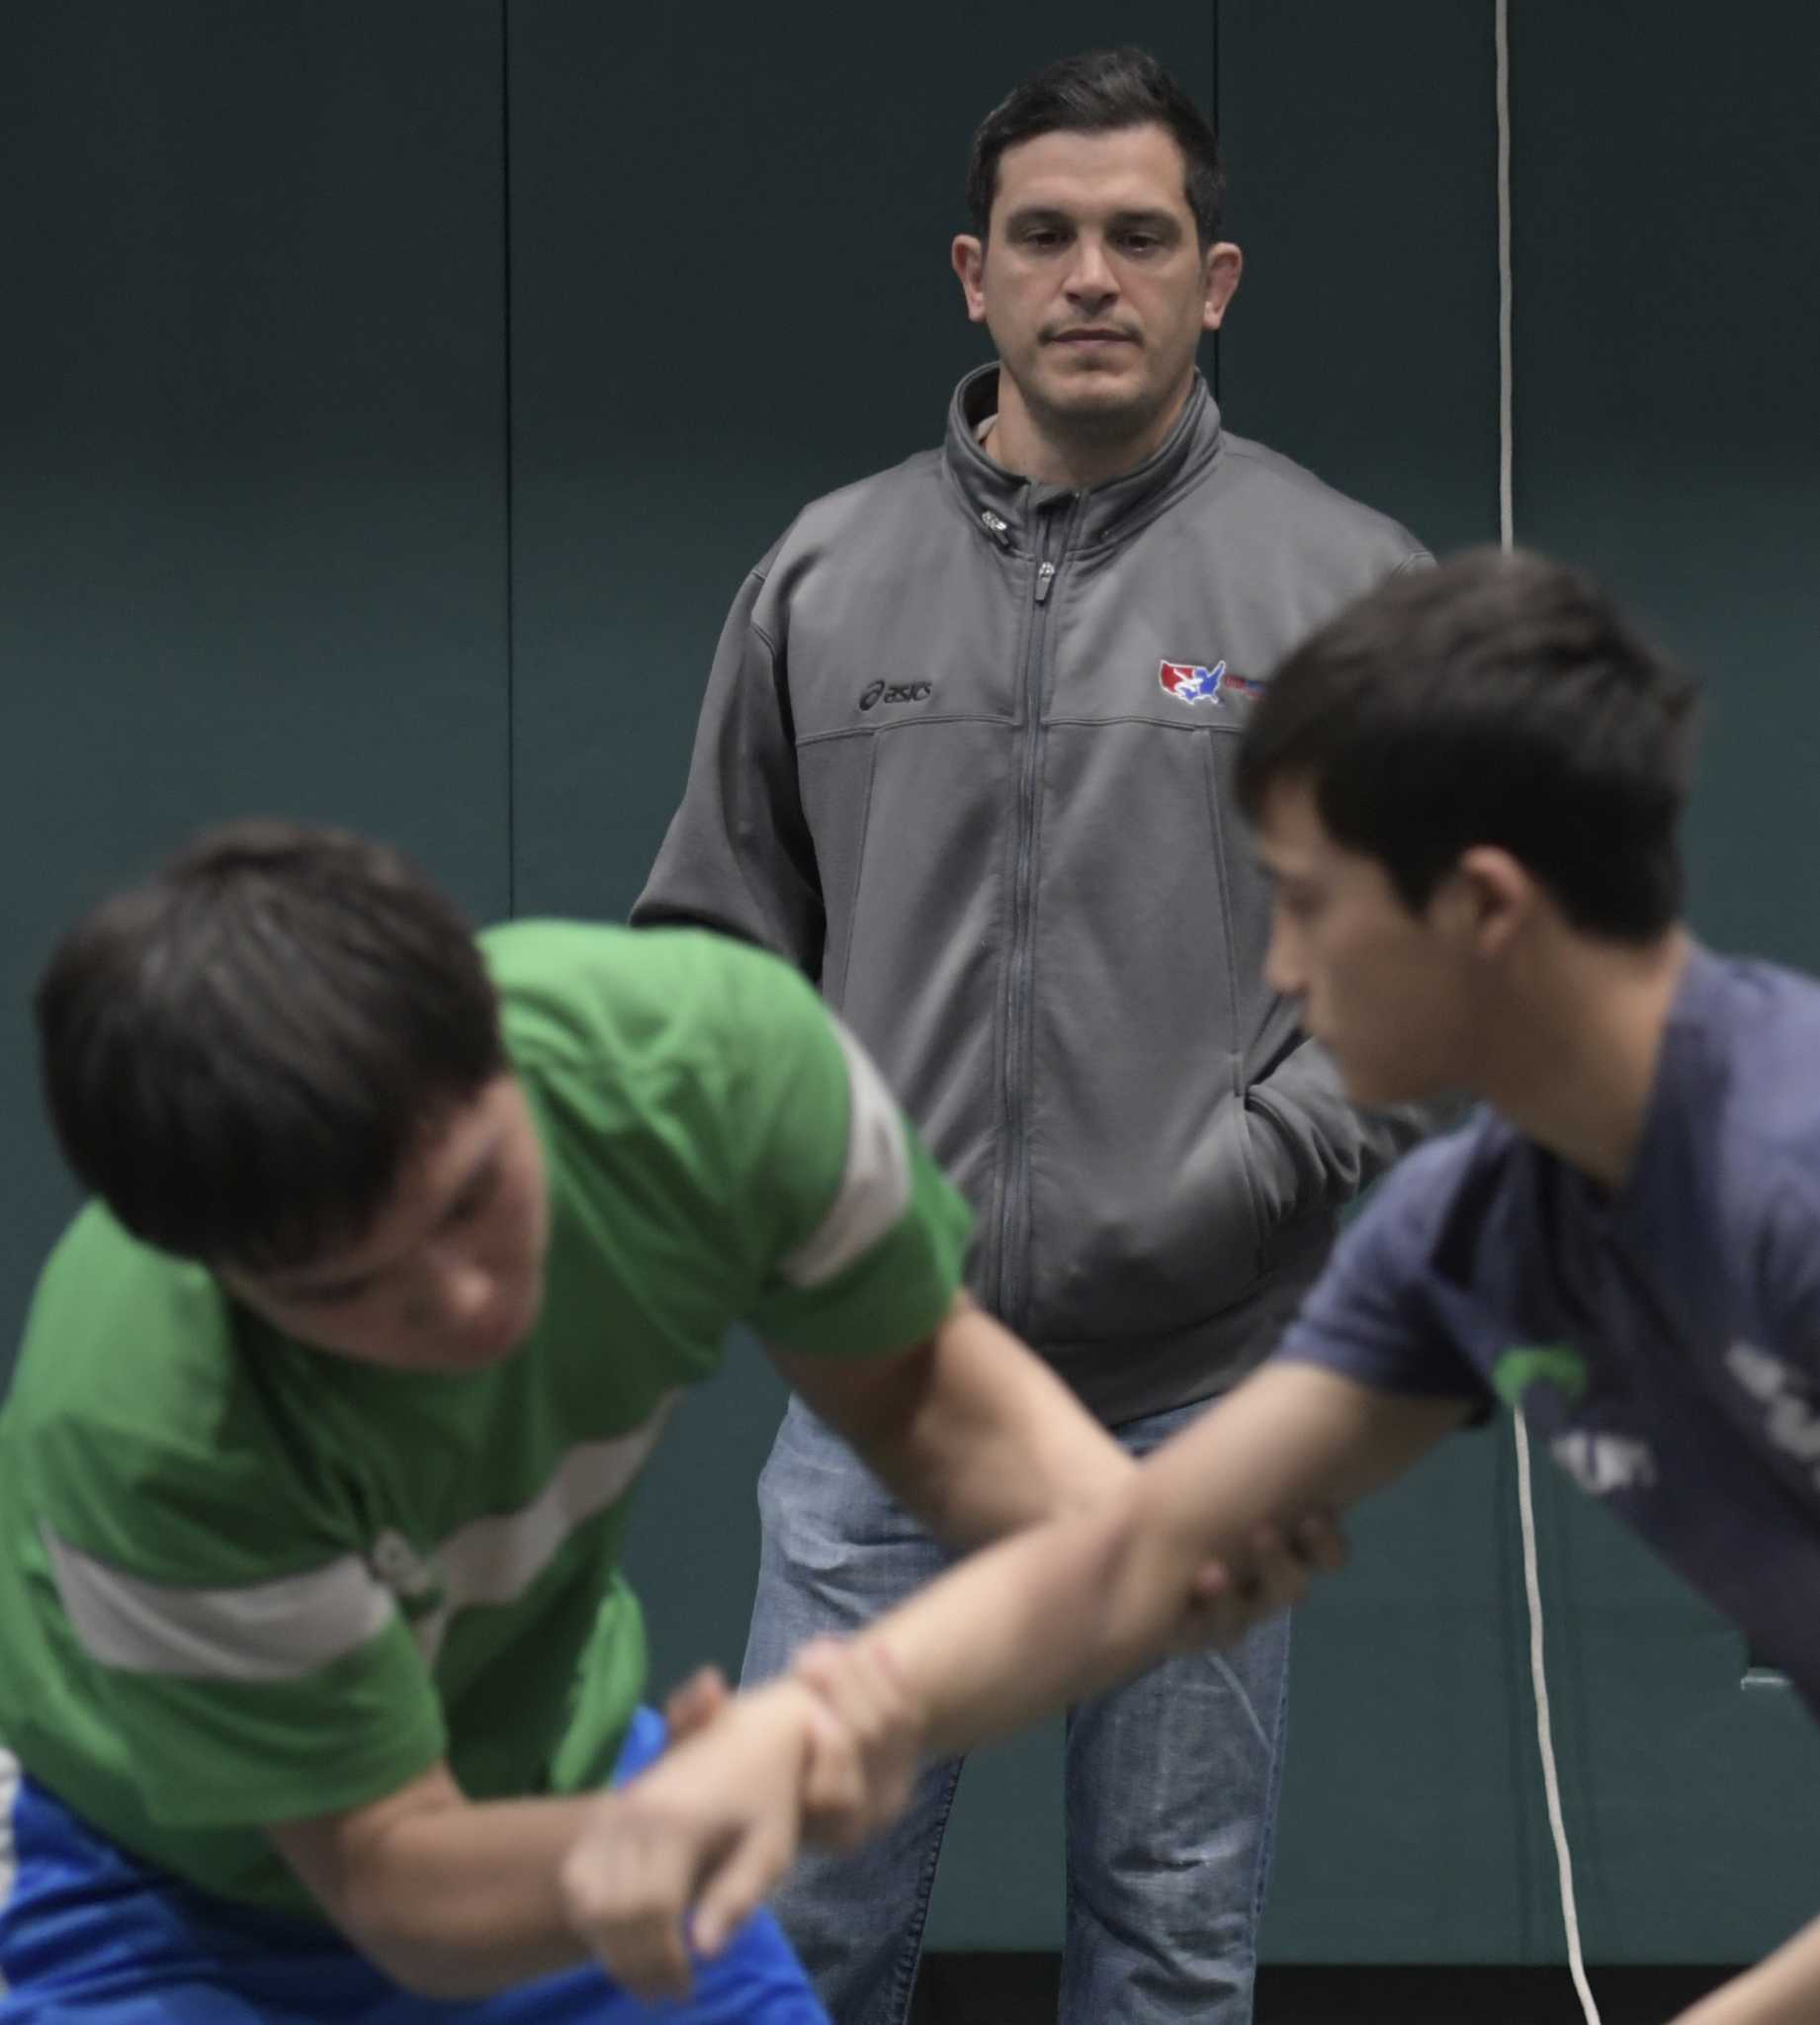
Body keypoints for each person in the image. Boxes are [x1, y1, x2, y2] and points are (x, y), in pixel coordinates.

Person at [569, 544, 1820, 2025]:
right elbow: (1142, 1550)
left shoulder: (1786, 1183)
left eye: (1301, 901)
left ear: (1483, 907)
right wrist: (789, 1739)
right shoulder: (1480, 1232)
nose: (1280, 968)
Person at [632, 44, 1431, 2025]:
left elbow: (1430, 993)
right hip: (883, 1392)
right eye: (1047, 237)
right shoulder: (824, 577)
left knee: (1168, 1941)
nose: (1093, 276)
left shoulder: (1347, 588)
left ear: (1214, 279)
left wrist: (1244, 1175)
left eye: (1139, 238)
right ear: (972, 273)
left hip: (1205, 1394)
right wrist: (817, 1229)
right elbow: (708, 962)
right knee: (801, 1930)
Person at [0, 821, 1305, 2025]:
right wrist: (733, 1797)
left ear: (494, 1047)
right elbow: (394, 1879)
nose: (458, 1302)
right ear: (216, 1275)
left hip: (550, 1768)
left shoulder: (708, 1073)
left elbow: (918, 1397)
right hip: (168, 1878)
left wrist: (1145, 1546)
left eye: (472, 1199)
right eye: (347, 1291)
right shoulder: (155, 1424)